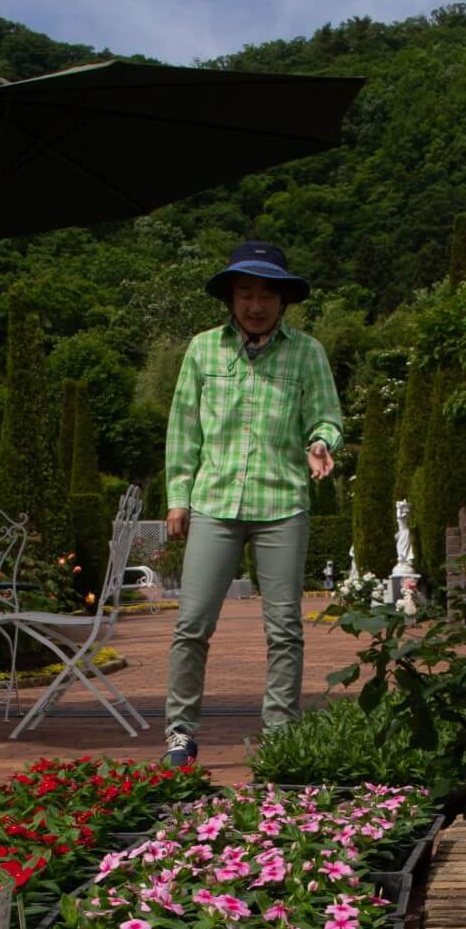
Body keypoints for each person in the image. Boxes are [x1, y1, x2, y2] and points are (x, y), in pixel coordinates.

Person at [163, 240, 342, 765]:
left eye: (267, 293)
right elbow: (183, 428)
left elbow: (327, 415)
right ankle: (179, 733)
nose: (256, 304)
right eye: (246, 293)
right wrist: (179, 497)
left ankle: (281, 734)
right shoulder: (202, 350)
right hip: (214, 503)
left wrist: (320, 442)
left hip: (282, 502)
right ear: (231, 298)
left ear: (283, 300)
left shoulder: (307, 352)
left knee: (284, 627)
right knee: (191, 623)